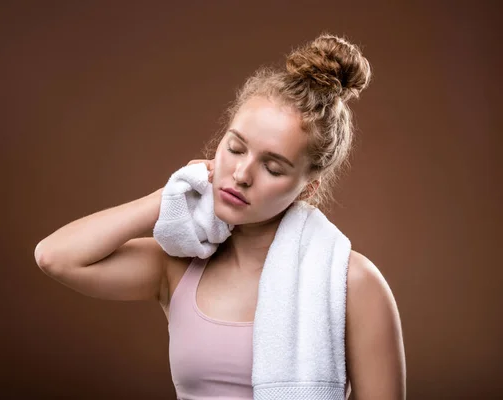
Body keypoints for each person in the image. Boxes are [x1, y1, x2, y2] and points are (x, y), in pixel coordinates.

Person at [34, 33, 406, 400]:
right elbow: (56, 257)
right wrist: (168, 196)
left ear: (308, 187)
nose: (242, 174)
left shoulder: (352, 282)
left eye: (273, 168)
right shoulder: (179, 264)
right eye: (235, 148)